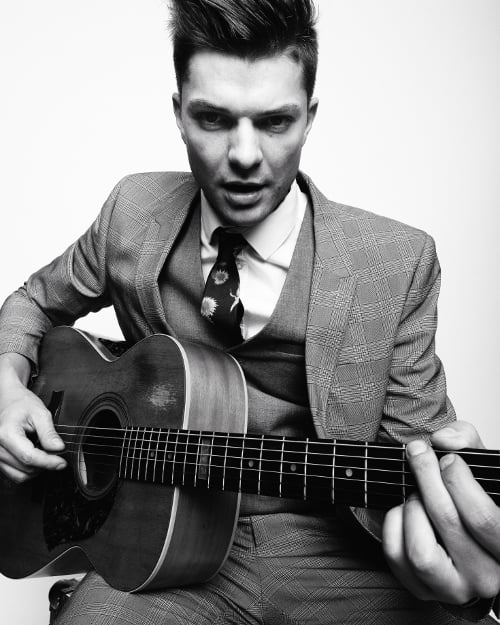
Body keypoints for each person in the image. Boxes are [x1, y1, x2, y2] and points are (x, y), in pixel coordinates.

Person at [0, 0, 499, 623]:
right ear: (179, 112)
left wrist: (471, 568)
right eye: (213, 118)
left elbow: (423, 454)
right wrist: (5, 384)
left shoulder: (394, 263)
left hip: (339, 561)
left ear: (310, 118)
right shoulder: (133, 212)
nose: (243, 154)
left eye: (274, 122)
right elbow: (32, 303)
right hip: (164, 558)